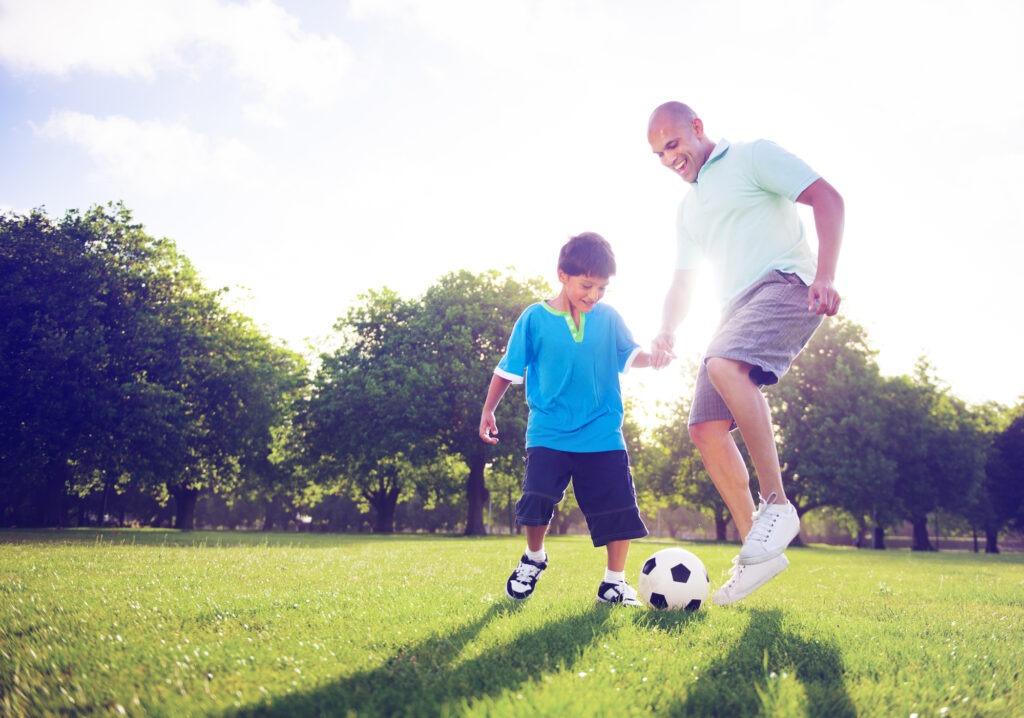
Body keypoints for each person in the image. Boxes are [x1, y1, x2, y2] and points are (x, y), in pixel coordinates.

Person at [646, 101, 845, 605]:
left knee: (723, 363)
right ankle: (757, 553)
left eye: (673, 144)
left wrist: (825, 274)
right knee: (704, 429)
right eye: (659, 153)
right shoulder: (688, 210)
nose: (670, 158)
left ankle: (776, 505)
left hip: (786, 283)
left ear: (697, 128)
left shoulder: (752, 156)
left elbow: (828, 198)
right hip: (733, 307)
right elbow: (683, 281)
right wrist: (667, 328)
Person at [479, 232, 653, 606]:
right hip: (549, 430)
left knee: (618, 508)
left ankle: (613, 583)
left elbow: (629, 354)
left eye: (602, 288)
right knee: (536, 499)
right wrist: (488, 409)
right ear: (562, 275)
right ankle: (534, 558)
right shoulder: (535, 318)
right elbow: (508, 369)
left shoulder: (608, 318)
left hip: (602, 431)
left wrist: (652, 358)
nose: (593, 295)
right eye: (586, 285)